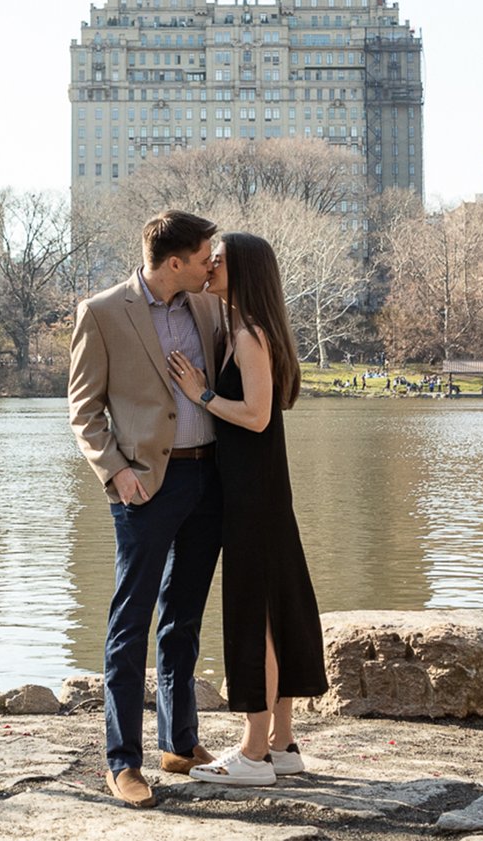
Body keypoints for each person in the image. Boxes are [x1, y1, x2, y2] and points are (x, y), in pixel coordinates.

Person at [68, 210, 227, 809]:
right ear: (175, 261)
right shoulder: (103, 312)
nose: (213, 262)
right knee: (130, 621)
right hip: (146, 487)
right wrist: (117, 473)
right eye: (205, 254)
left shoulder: (207, 305)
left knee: (184, 615)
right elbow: (84, 411)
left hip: (207, 477)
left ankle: (180, 744)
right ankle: (122, 761)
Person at [165, 232, 328, 788]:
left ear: (246, 271)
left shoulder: (251, 334)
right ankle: (283, 745)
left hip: (254, 495)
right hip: (256, 491)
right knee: (275, 613)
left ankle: (253, 753)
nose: (210, 264)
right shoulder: (239, 326)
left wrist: (201, 395)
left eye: (220, 260)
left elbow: (257, 416)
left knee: (255, 616)